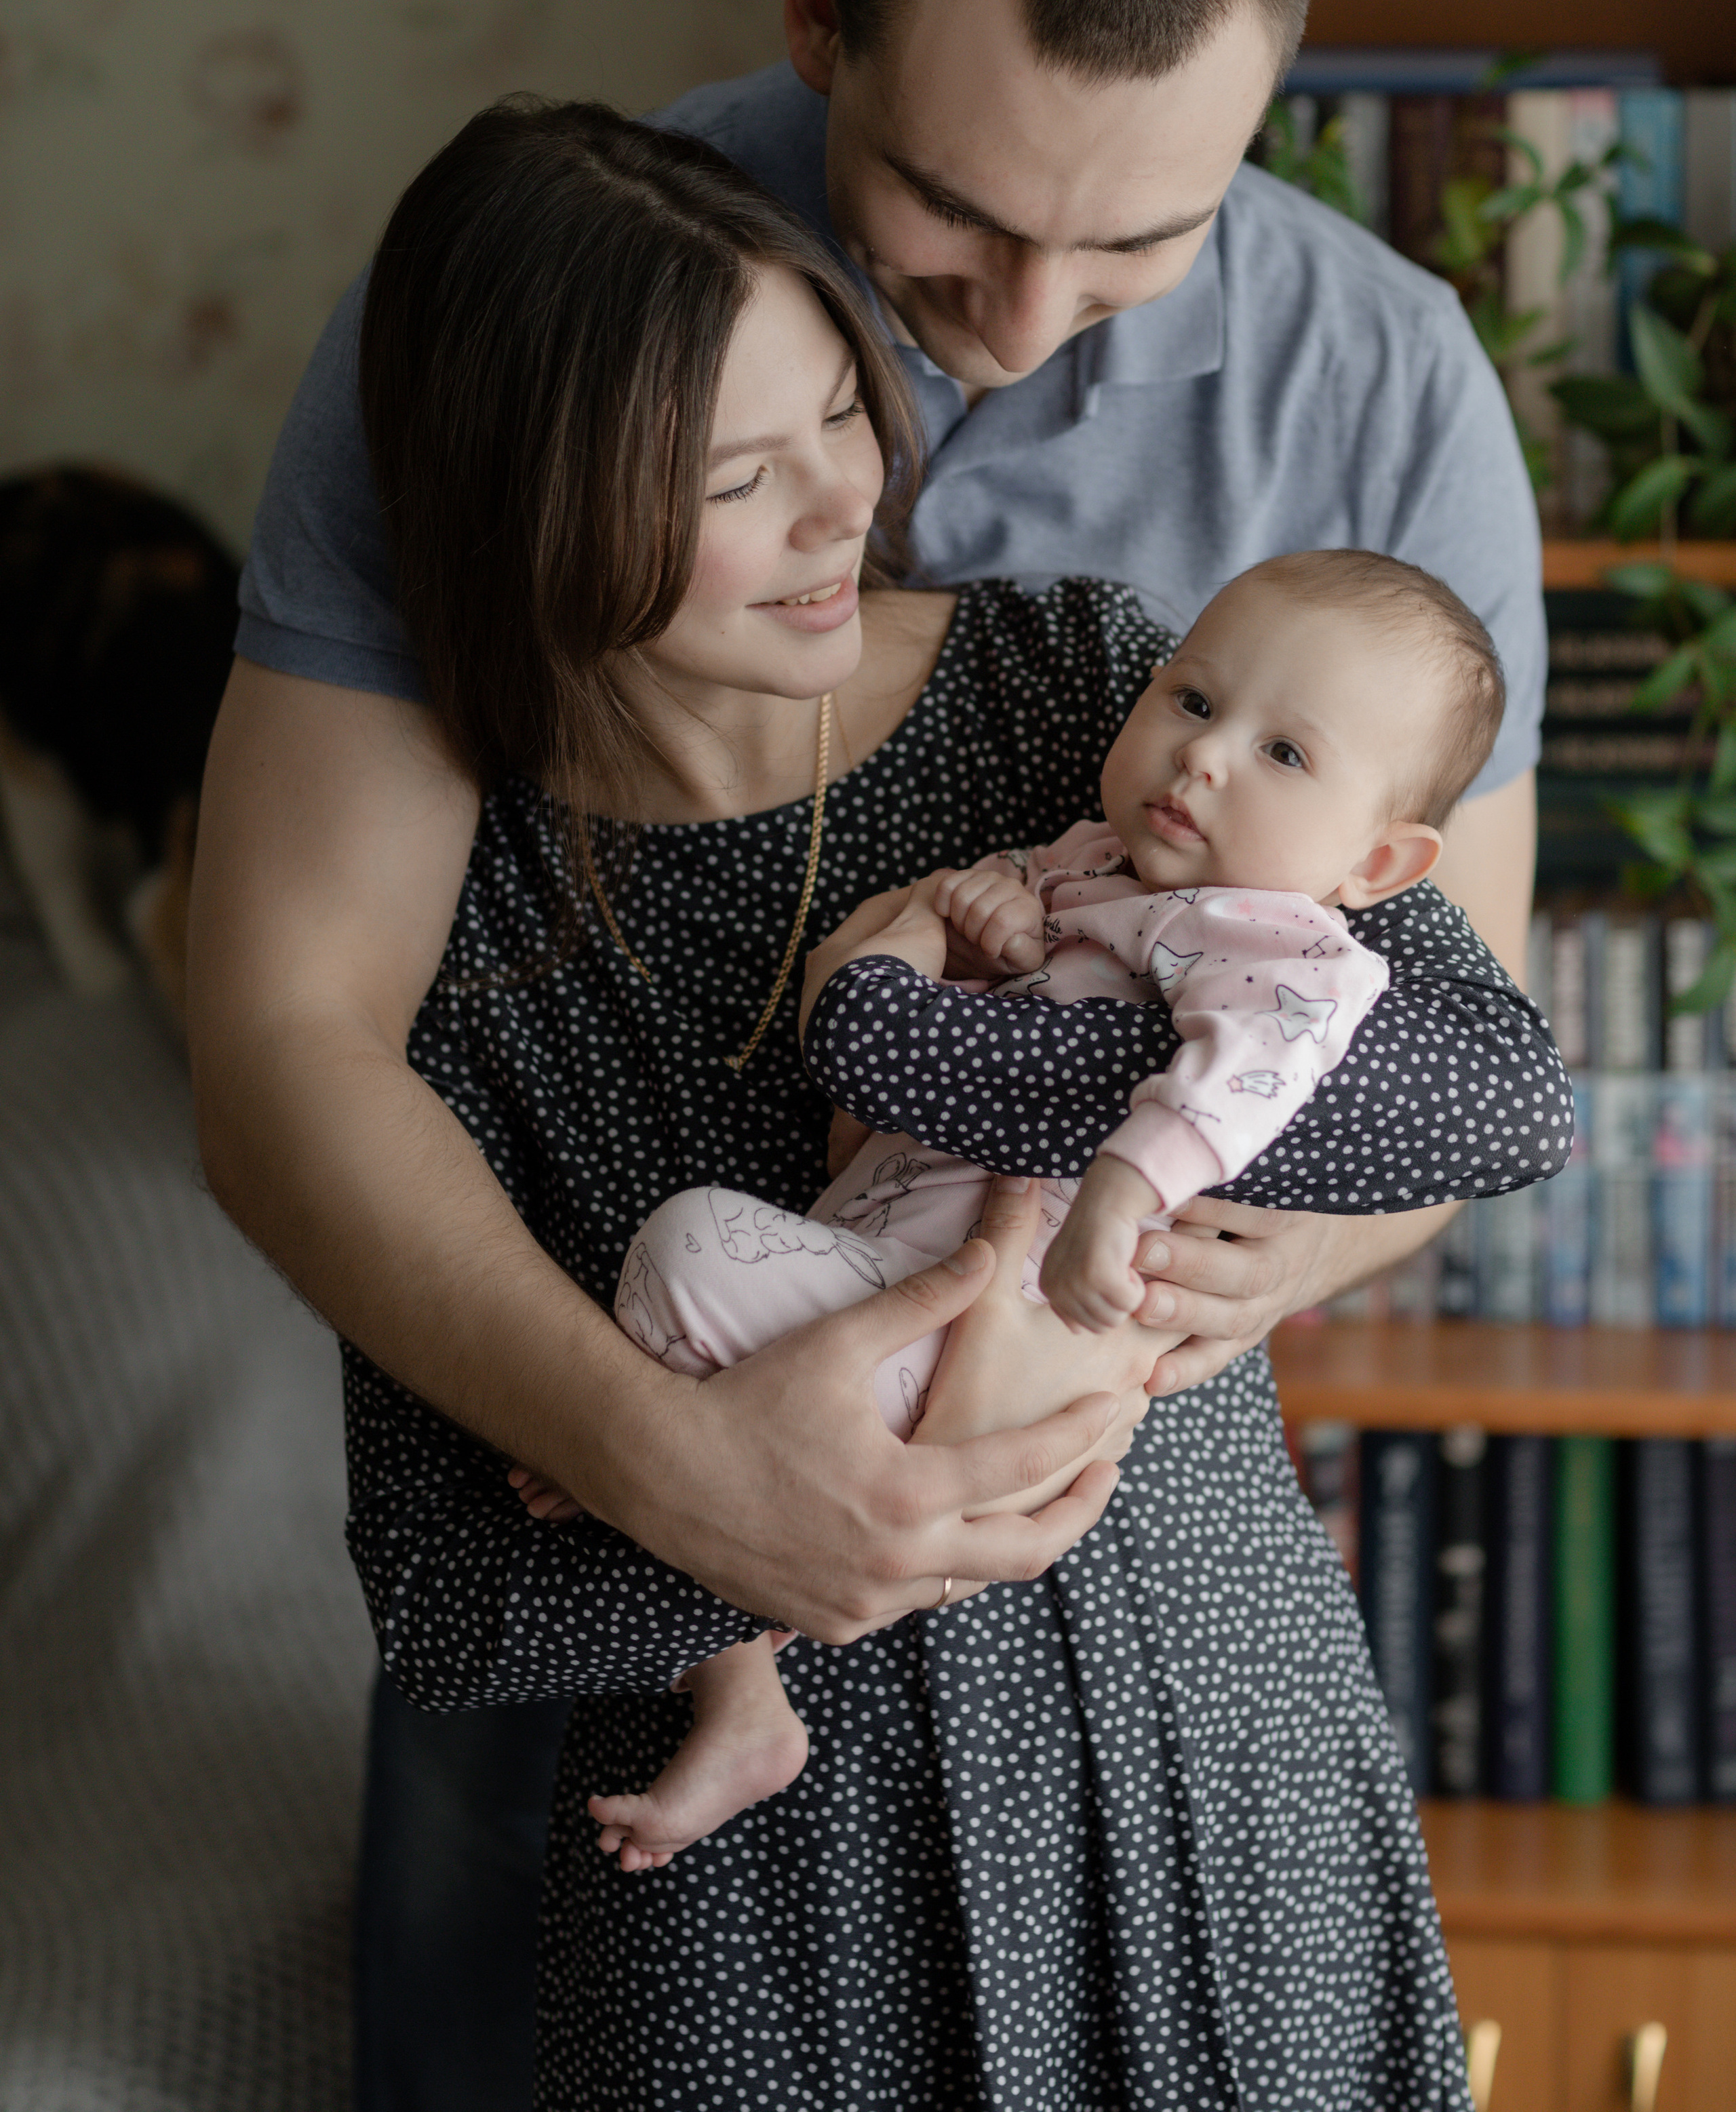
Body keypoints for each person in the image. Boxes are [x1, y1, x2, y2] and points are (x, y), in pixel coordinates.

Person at [186, 0, 1547, 2102]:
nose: (1016, 330)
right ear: (819, 16)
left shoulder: (1340, 428)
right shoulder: (536, 318)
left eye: (1137, 237)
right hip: (688, 1827)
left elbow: (1457, 1053)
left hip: (1160, 1656)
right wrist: (680, 1471)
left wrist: (1136, 1275)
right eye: (947, 223)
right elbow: (295, 1033)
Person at [570, 551, 1561, 1876]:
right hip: (891, 1245)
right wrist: (973, 930)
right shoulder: (1094, 868)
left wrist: (1123, 1188)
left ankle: (673, 1481)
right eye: (1192, 701)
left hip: (994, 1327)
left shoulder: (1279, 944)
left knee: (682, 1250)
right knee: (689, 1338)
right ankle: (733, 1670)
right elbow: (939, 1042)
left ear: (1378, 858)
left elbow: (1240, 1074)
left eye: (1281, 753)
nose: (1201, 760)